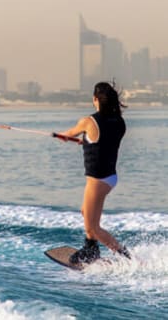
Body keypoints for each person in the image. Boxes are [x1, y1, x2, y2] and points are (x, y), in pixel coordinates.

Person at [57, 81, 131, 264]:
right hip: (110, 178)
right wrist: (88, 141)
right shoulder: (119, 122)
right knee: (85, 212)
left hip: (97, 180)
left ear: (96, 99)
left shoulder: (89, 122)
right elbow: (104, 143)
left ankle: (127, 259)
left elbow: (70, 133)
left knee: (94, 227)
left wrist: (60, 136)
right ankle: (91, 249)